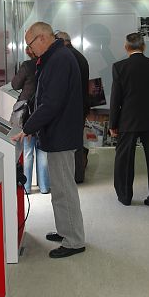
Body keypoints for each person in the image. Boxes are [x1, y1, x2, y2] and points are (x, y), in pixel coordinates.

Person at [12, 22, 86, 258]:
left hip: (61, 134)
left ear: (43, 38)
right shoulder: (55, 57)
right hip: (57, 132)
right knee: (59, 188)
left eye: (30, 44)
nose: (30, 50)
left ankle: (74, 240)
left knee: (64, 189)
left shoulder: (60, 59)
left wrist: (28, 127)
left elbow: (51, 103)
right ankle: (66, 229)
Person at [109, 32, 149, 209]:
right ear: (143, 47)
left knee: (124, 160)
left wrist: (113, 124)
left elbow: (116, 98)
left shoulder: (119, 67)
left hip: (127, 121)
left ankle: (125, 196)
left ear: (126, 47)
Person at [11, 45, 50, 193]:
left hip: (26, 113)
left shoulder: (27, 65)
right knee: (43, 151)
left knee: (27, 153)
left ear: (28, 52)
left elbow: (15, 84)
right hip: (43, 110)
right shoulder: (49, 64)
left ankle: (26, 187)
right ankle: (45, 187)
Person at [54, 30, 90, 183]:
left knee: (70, 144)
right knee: (77, 141)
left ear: (61, 41)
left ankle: (74, 176)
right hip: (80, 106)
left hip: (70, 108)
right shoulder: (79, 56)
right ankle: (78, 174)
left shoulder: (65, 57)